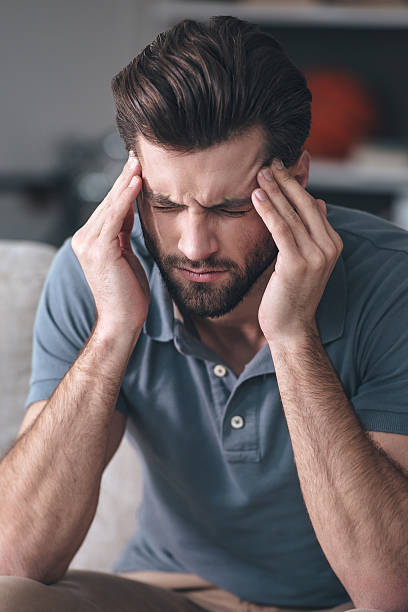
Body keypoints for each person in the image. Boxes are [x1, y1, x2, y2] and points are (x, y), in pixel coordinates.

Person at [0, 15, 407, 612]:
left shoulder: (392, 282)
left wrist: (292, 337)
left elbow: (389, 589)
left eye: (229, 207)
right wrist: (114, 329)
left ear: (294, 180)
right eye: (164, 203)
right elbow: (16, 559)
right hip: (170, 592)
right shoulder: (95, 271)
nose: (192, 246)